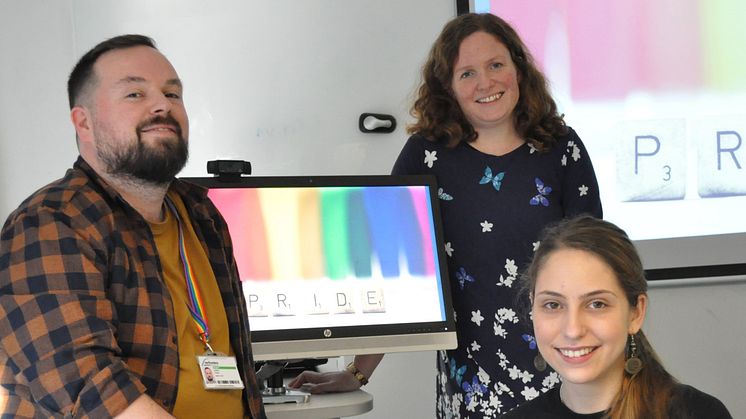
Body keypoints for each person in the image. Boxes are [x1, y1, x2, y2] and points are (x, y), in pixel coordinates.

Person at [289, 13, 602, 416]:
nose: (486, 83)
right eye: (467, 73)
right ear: (448, 88)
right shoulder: (425, 156)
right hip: (472, 383)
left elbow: (599, 268)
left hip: (567, 370)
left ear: (518, 70)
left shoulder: (562, 148)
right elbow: (391, 271)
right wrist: (358, 372)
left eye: (496, 65)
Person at [0, 35, 265, 418]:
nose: (162, 105)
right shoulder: (50, 223)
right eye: (135, 94)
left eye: (173, 94)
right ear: (84, 123)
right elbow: (94, 393)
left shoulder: (200, 213)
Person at [501, 215, 732, 418]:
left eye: (596, 304)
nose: (572, 329)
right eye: (552, 304)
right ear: (533, 306)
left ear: (636, 313)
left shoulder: (697, 414)